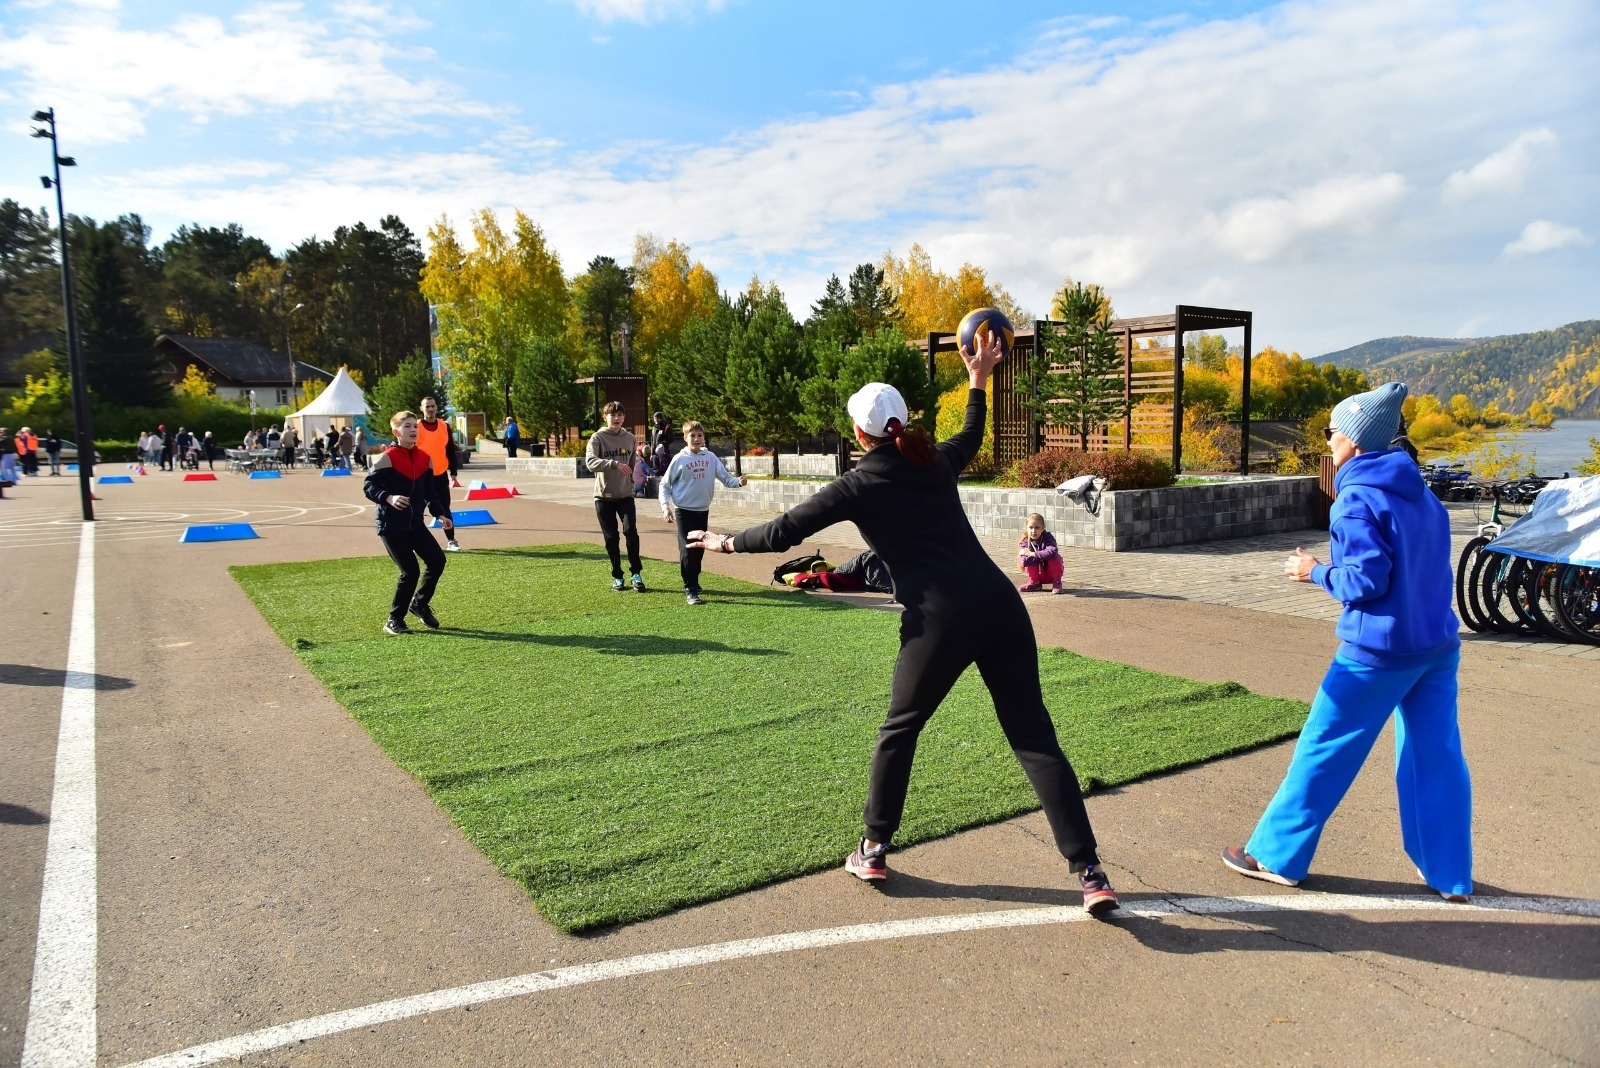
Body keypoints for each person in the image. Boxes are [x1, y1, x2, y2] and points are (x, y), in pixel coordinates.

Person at [686, 335, 1120, 914]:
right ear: (902, 423)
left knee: (900, 729)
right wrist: (977, 379)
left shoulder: (859, 483)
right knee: (1035, 738)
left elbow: (786, 530)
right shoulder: (933, 462)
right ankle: (1090, 873)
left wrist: (725, 542)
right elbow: (969, 435)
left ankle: (872, 848)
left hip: (940, 620)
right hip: (1000, 606)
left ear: (859, 435)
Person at [1222, 381, 1471, 903]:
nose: (1328, 441)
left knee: (1323, 748)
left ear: (1354, 442)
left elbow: (1364, 582)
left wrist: (1313, 571)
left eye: (1331, 432)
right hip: (1437, 645)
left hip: (1377, 653)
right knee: (1437, 754)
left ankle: (1276, 856)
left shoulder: (1355, 501)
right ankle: (1449, 874)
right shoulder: (1422, 493)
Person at [363, 410, 455, 635]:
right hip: (391, 525)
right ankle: (394, 620)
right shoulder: (387, 457)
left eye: (415, 425)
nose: (413, 429)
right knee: (410, 571)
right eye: (407, 426)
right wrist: (389, 497)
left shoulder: (425, 459)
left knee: (437, 561)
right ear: (396, 432)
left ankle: (419, 604)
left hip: (415, 524)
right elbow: (369, 486)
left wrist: (440, 513)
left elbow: (430, 493)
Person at [659, 420, 746, 605]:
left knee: (700, 547)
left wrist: (738, 482)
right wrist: (665, 507)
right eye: (692, 435)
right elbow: (664, 485)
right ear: (685, 438)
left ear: (704, 437)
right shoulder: (679, 459)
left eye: (699, 435)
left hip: (702, 510)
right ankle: (690, 588)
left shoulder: (711, 458)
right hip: (683, 510)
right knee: (687, 549)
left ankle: (694, 580)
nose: (696, 439)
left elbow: (726, 479)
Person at [586, 400, 645, 592]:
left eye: (620, 414)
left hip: (625, 495)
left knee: (631, 532)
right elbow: (590, 462)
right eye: (613, 414)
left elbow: (632, 461)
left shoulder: (629, 438)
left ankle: (636, 573)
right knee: (611, 538)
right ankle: (617, 575)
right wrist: (613, 464)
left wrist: (630, 482)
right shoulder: (597, 438)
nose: (617, 418)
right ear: (605, 417)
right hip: (603, 497)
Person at [415, 398, 461, 552]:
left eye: (433, 406)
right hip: (420, 475)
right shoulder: (416, 426)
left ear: (436, 408)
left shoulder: (444, 426)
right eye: (427, 406)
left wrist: (453, 471)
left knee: (445, 508)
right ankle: (416, 542)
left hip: (440, 475)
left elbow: (450, 451)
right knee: (417, 509)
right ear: (421, 408)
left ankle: (451, 540)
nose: (430, 409)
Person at [1018, 512, 1065, 594]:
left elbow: (1052, 551)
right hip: (1038, 575)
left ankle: (1057, 582)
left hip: (1051, 574)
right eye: (1031, 527)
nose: (1033, 531)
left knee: (1055, 557)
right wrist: (1043, 556)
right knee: (1028, 558)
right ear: (1027, 528)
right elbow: (1024, 561)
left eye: (1037, 528)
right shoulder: (1025, 542)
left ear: (1043, 528)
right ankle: (1035, 583)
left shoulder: (1048, 537)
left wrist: (1032, 554)